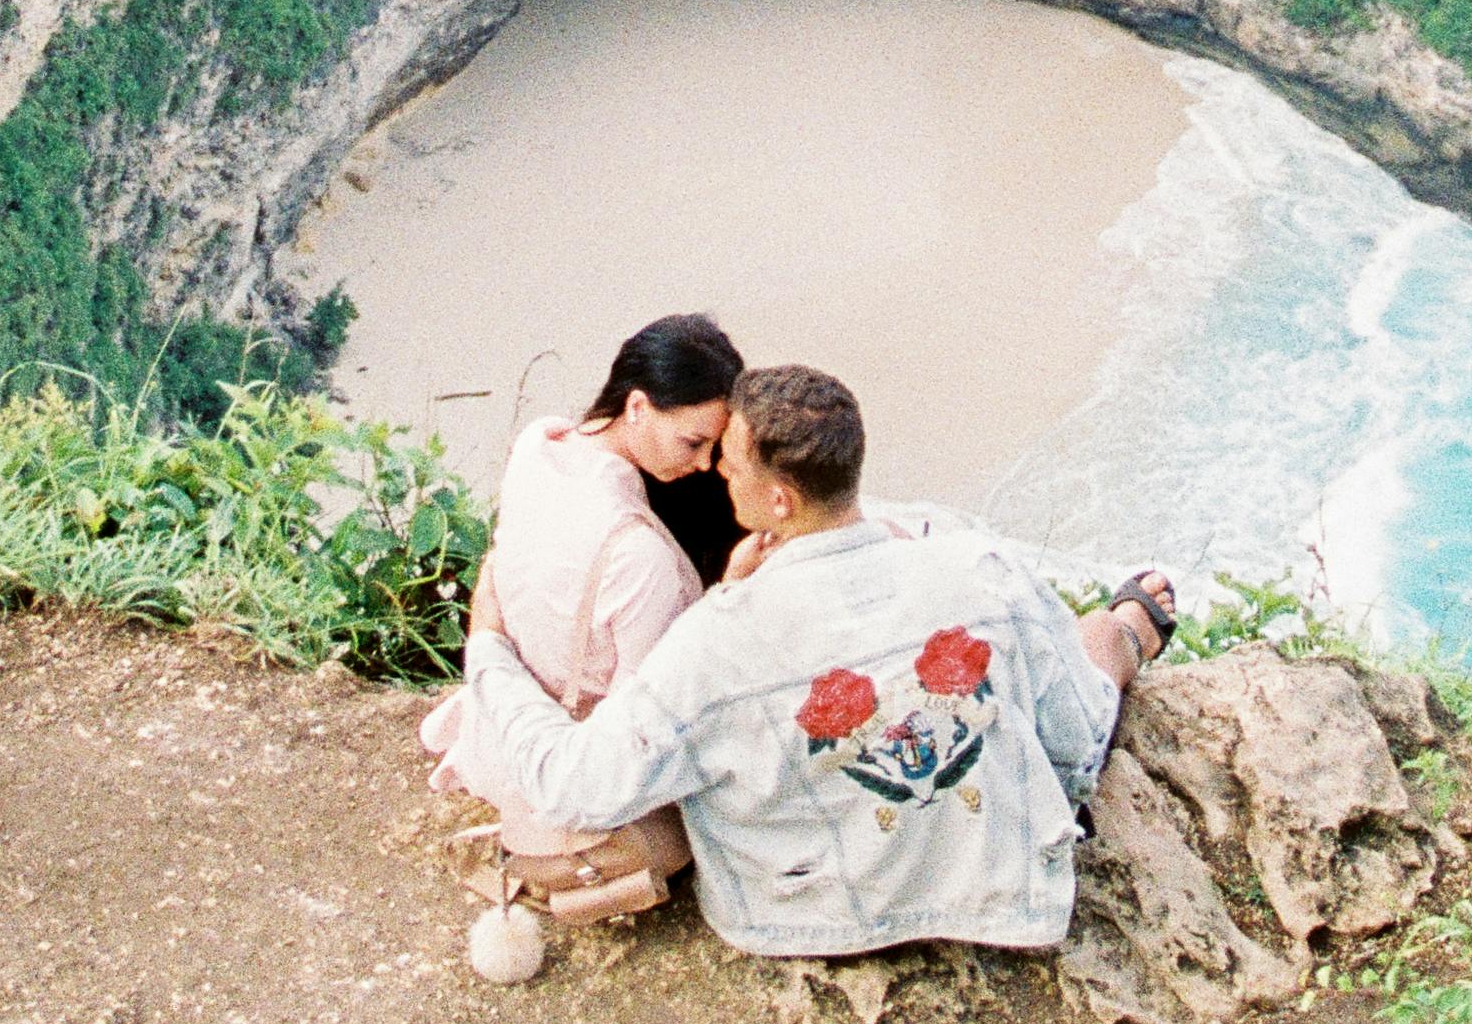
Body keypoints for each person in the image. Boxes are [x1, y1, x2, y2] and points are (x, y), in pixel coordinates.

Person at [445, 364, 1179, 960]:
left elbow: (578, 788)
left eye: (726, 468)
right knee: (1090, 646)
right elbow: (1077, 743)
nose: (714, 478)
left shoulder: (714, 640)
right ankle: (1123, 630)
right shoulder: (978, 566)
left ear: (776, 498)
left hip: (801, 916)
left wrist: (488, 652)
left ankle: (1118, 630)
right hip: (1003, 893)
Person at [419, 311, 741, 922]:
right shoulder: (641, 557)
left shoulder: (540, 443)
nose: (704, 465)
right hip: (567, 774)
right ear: (639, 407)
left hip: (506, 714)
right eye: (693, 443)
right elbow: (642, 740)